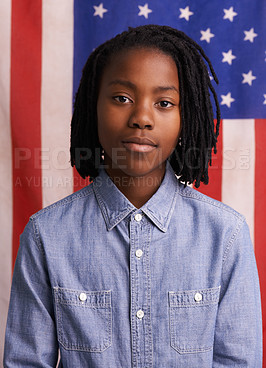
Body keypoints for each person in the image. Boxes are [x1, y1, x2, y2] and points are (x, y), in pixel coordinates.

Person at [4, 25, 262, 367]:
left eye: (164, 103)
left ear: (186, 118)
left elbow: (238, 360)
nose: (141, 117)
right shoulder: (46, 236)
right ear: (92, 107)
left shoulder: (227, 235)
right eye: (122, 98)